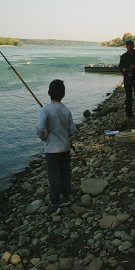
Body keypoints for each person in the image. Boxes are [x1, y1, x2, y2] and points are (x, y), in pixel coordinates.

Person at [36, 79, 77, 215]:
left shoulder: (45, 110)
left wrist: (44, 137)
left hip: (51, 150)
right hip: (65, 148)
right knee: (65, 173)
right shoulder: (66, 110)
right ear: (64, 94)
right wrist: (65, 134)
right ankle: (66, 196)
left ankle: (54, 202)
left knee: (54, 176)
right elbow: (73, 130)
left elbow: (40, 128)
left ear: (48, 93)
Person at [119, 40, 135, 118]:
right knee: (128, 97)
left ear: (133, 46)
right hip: (127, 78)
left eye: (130, 45)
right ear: (126, 46)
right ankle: (129, 114)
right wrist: (122, 69)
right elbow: (120, 66)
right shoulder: (124, 56)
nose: (129, 47)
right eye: (128, 45)